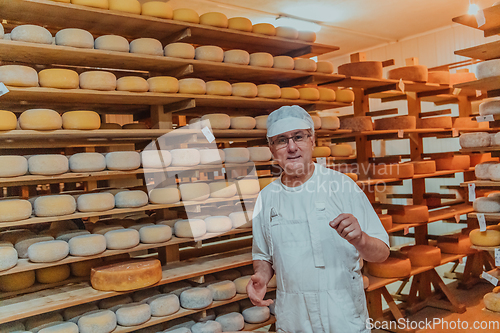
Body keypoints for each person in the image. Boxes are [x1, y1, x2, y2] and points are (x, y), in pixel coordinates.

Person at [246, 105, 390, 332]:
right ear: (272, 149)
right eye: (282, 140)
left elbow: (382, 253)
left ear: (313, 140)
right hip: (294, 317)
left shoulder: (342, 187)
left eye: (299, 137)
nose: (292, 147)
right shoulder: (266, 198)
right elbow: (263, 255)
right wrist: (262, 277)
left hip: (342, 313)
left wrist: (360, 239)